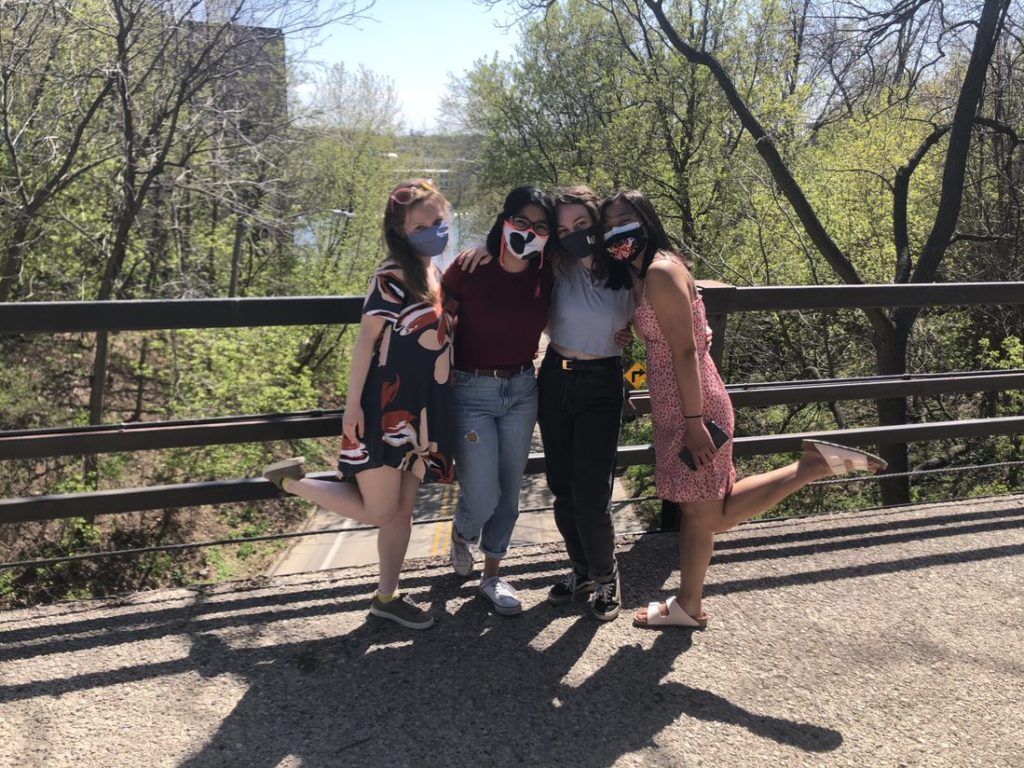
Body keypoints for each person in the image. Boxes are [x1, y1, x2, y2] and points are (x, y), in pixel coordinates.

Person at [595, 190, 887, 629]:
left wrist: (694, 425)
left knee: (711, 514)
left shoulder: (658, 271)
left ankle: (809, 467)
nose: (614, 231)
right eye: (607, 225)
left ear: (646, 221)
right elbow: (684, 330)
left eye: (624, 220)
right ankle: (688, 606)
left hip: (693, 407)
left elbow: (687, 352)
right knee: (699, 510)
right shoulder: (648, 272)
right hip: (678, 407)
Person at [262, 178, 455, 631]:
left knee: (403, 512)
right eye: (421, 225)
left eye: (438, 221)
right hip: (388, 409)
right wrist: (352, 408)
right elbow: (365, 343)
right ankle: (291, 483)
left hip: (423, 410)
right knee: (381, 510)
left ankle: (386, 596)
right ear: (401, 231)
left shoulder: (434, 272)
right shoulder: (391, 275)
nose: (433, 230)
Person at [442, 186, 555, 616]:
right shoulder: (469, 267)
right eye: (522, 222)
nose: (530, 232)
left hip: (523, 389)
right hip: (471, 391)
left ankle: (492, 574)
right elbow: (436, 314)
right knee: (484, 493)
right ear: (504, 220)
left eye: (540, 227)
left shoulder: (547, 273)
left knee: (510, 493)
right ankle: (460, 533)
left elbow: (591, 286)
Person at [536, 185, 635, 621]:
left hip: (601, 381)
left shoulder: (627, 269)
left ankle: (606, 574)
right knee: (562, 487)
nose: (573, 234)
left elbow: (671, 298)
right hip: (555, 377)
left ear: (597, 223)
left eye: (581, 225)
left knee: (592, 492)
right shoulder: (557, 265)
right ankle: (581, 570)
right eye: (563, 229)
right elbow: (509, 246)